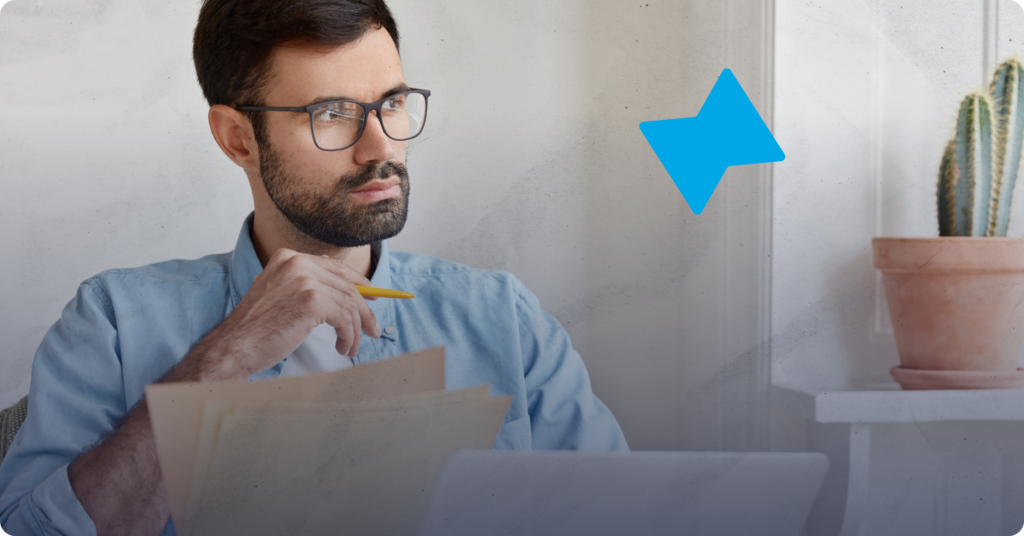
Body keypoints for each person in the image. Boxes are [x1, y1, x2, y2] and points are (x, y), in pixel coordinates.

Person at [0, 0, 628, 534]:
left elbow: (630, 517)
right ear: (237, 139)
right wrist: (221, 362)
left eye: (392, 102)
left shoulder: (504, 321)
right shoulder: (111, 323)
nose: (381, 146)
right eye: (331, 113)